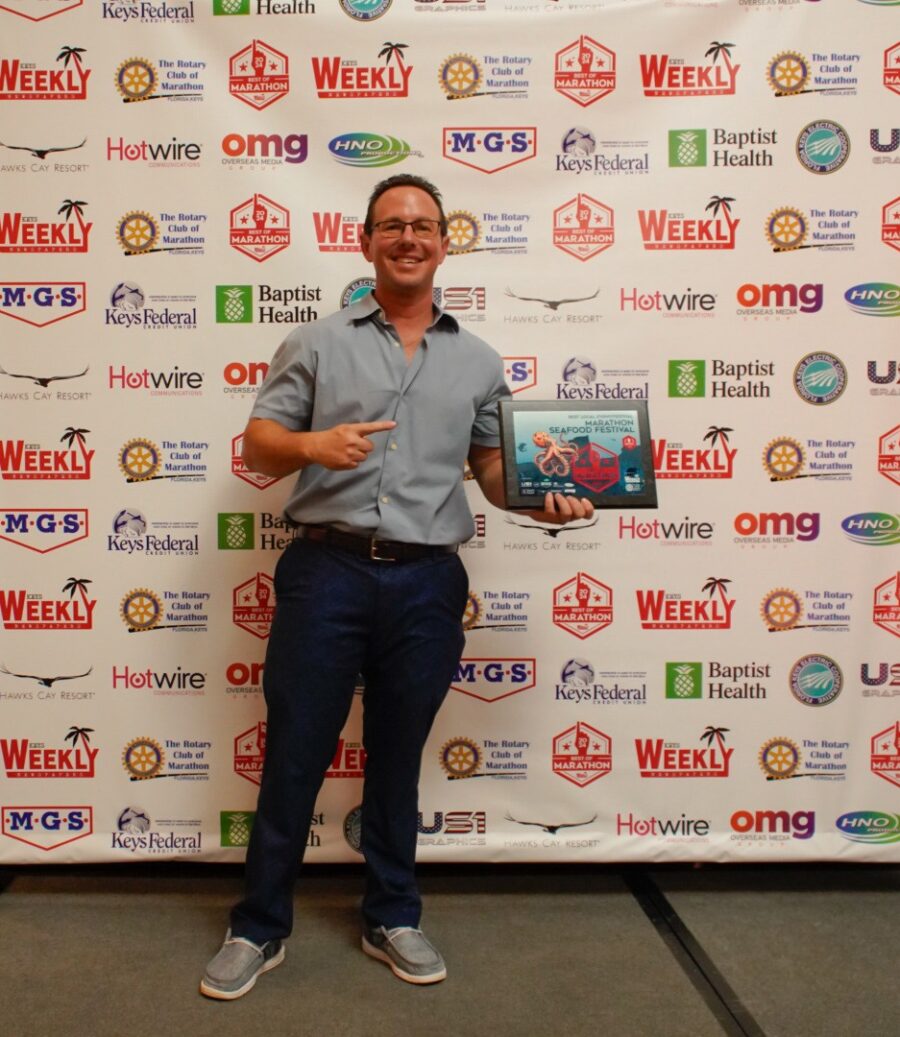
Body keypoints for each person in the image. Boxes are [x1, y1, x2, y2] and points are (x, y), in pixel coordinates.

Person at [200, 174, 594, 999]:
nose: (408, 237)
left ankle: (391, 914)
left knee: (397, 756)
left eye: (424, 225)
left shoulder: (479, 360)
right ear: (366, 241)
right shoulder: (316, 342)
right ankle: (259, 925)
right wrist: (316, 446)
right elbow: (259, 446)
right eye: (392, 225)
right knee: (294, 751)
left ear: (446, 241)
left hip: (427, 581)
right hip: (327, 571)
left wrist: (543, 502)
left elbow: (491, 469)